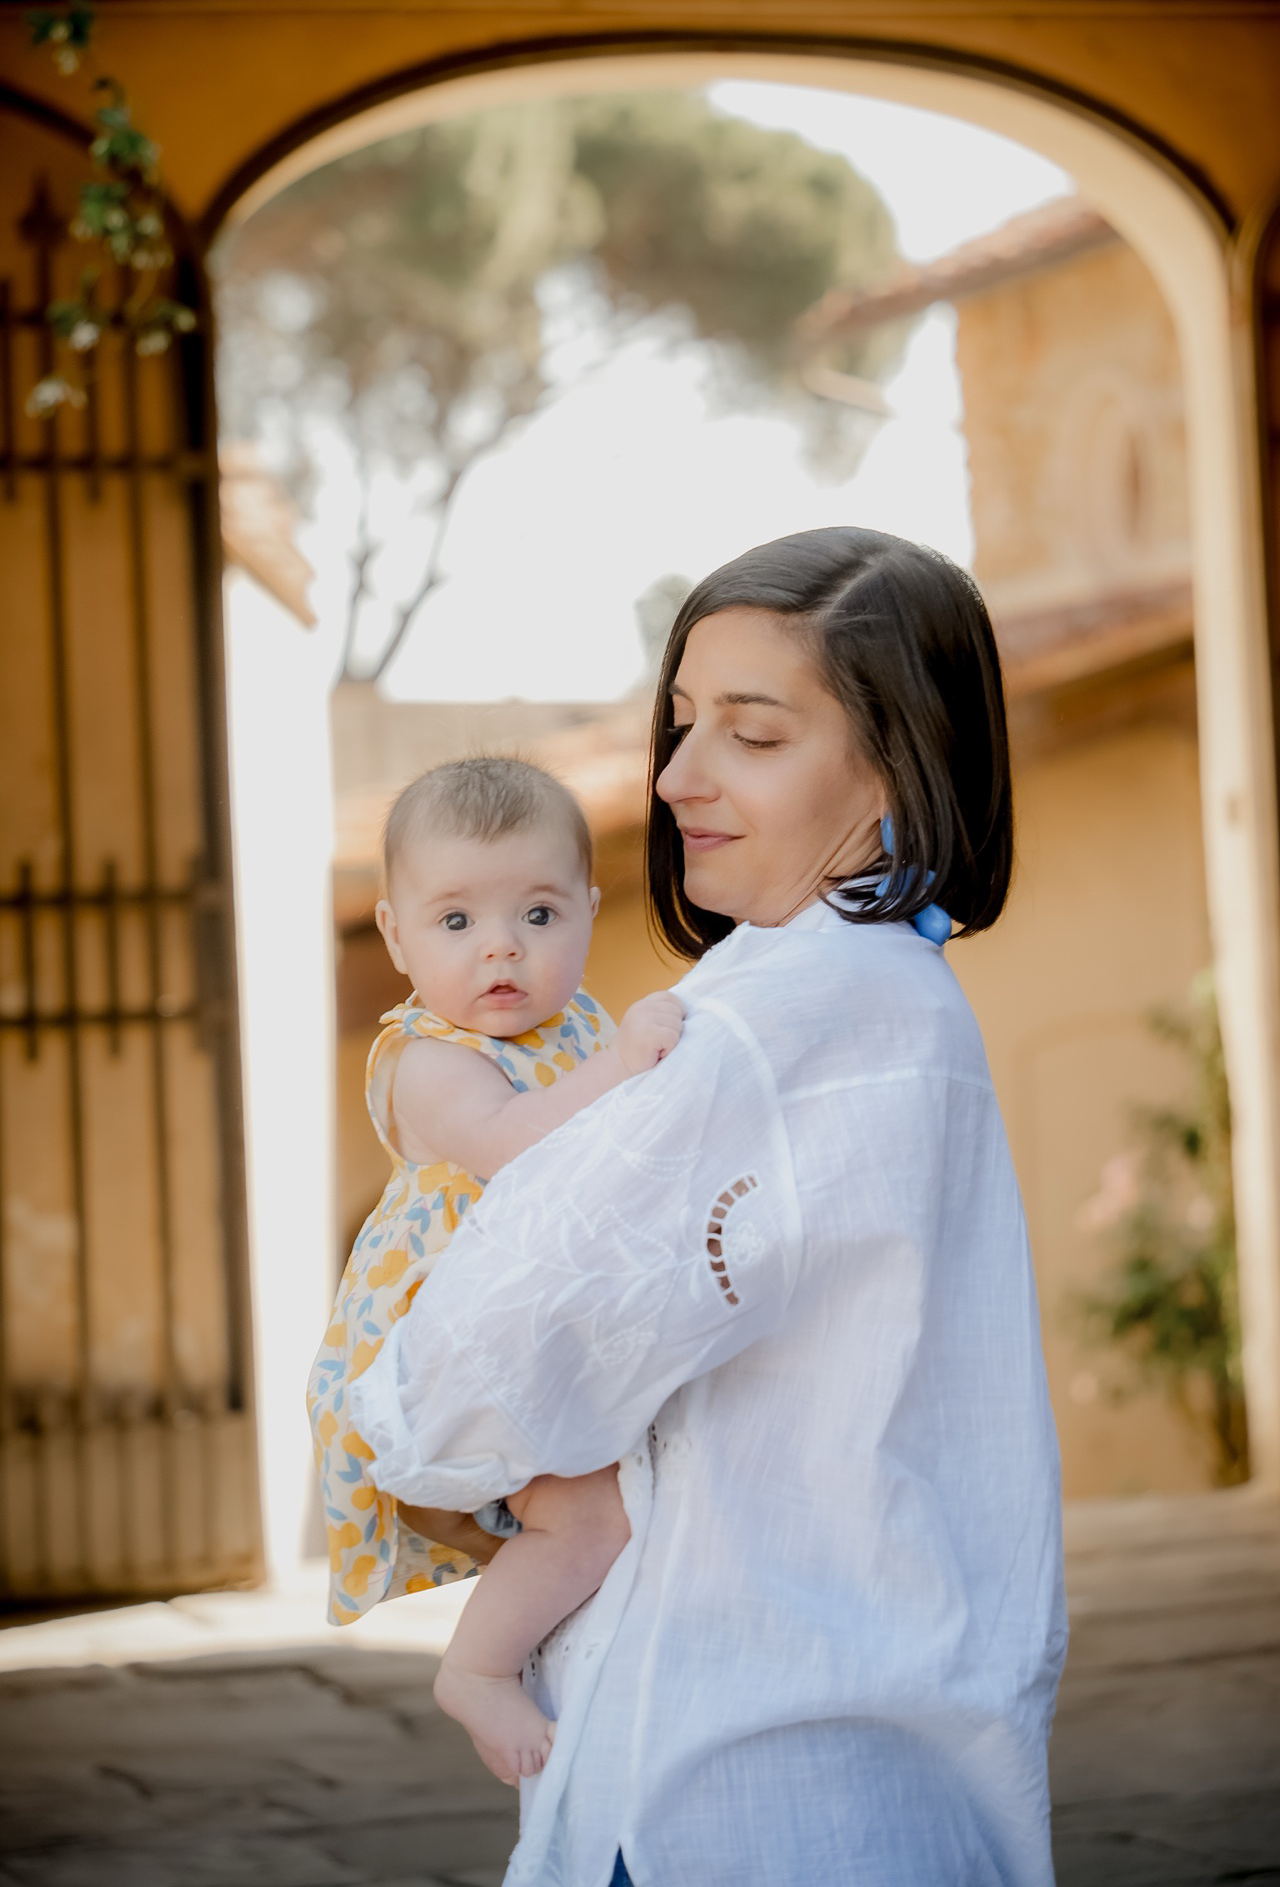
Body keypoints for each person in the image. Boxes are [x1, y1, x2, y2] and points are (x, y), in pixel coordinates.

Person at [350, 528, 1069, 1887]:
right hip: (890, 1770)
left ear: (895, 762)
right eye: (681, 723)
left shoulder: (753, 1026)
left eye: (751, 733)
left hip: (720, 1776)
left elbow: (451, 1400)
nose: (677, 778)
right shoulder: (902, 999)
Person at [307, 757, 682, 1782]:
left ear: (588, 913)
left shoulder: (578, 1032)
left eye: (539, 913)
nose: (502, 947)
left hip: (541, 1322)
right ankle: (477, 1667)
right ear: (394, 934)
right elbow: (516, 1143)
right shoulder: (426, 1059)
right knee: (588, 1516)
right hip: (460, 1342)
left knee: (618, 1505)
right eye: (456, 922)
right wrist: (629, 1065)